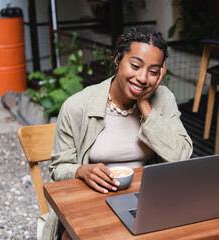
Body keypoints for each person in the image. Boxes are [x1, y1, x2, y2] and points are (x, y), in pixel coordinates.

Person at [42, 26, 193, 240]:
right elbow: (58, 168)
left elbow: (181, 157)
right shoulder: (78, 106)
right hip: (92, 202)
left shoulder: (163, 99)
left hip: (147, 202)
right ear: (117, 60)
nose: (142, 78)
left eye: (153, 71)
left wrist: (145, 106)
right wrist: (82, 171)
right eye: (135, 66)